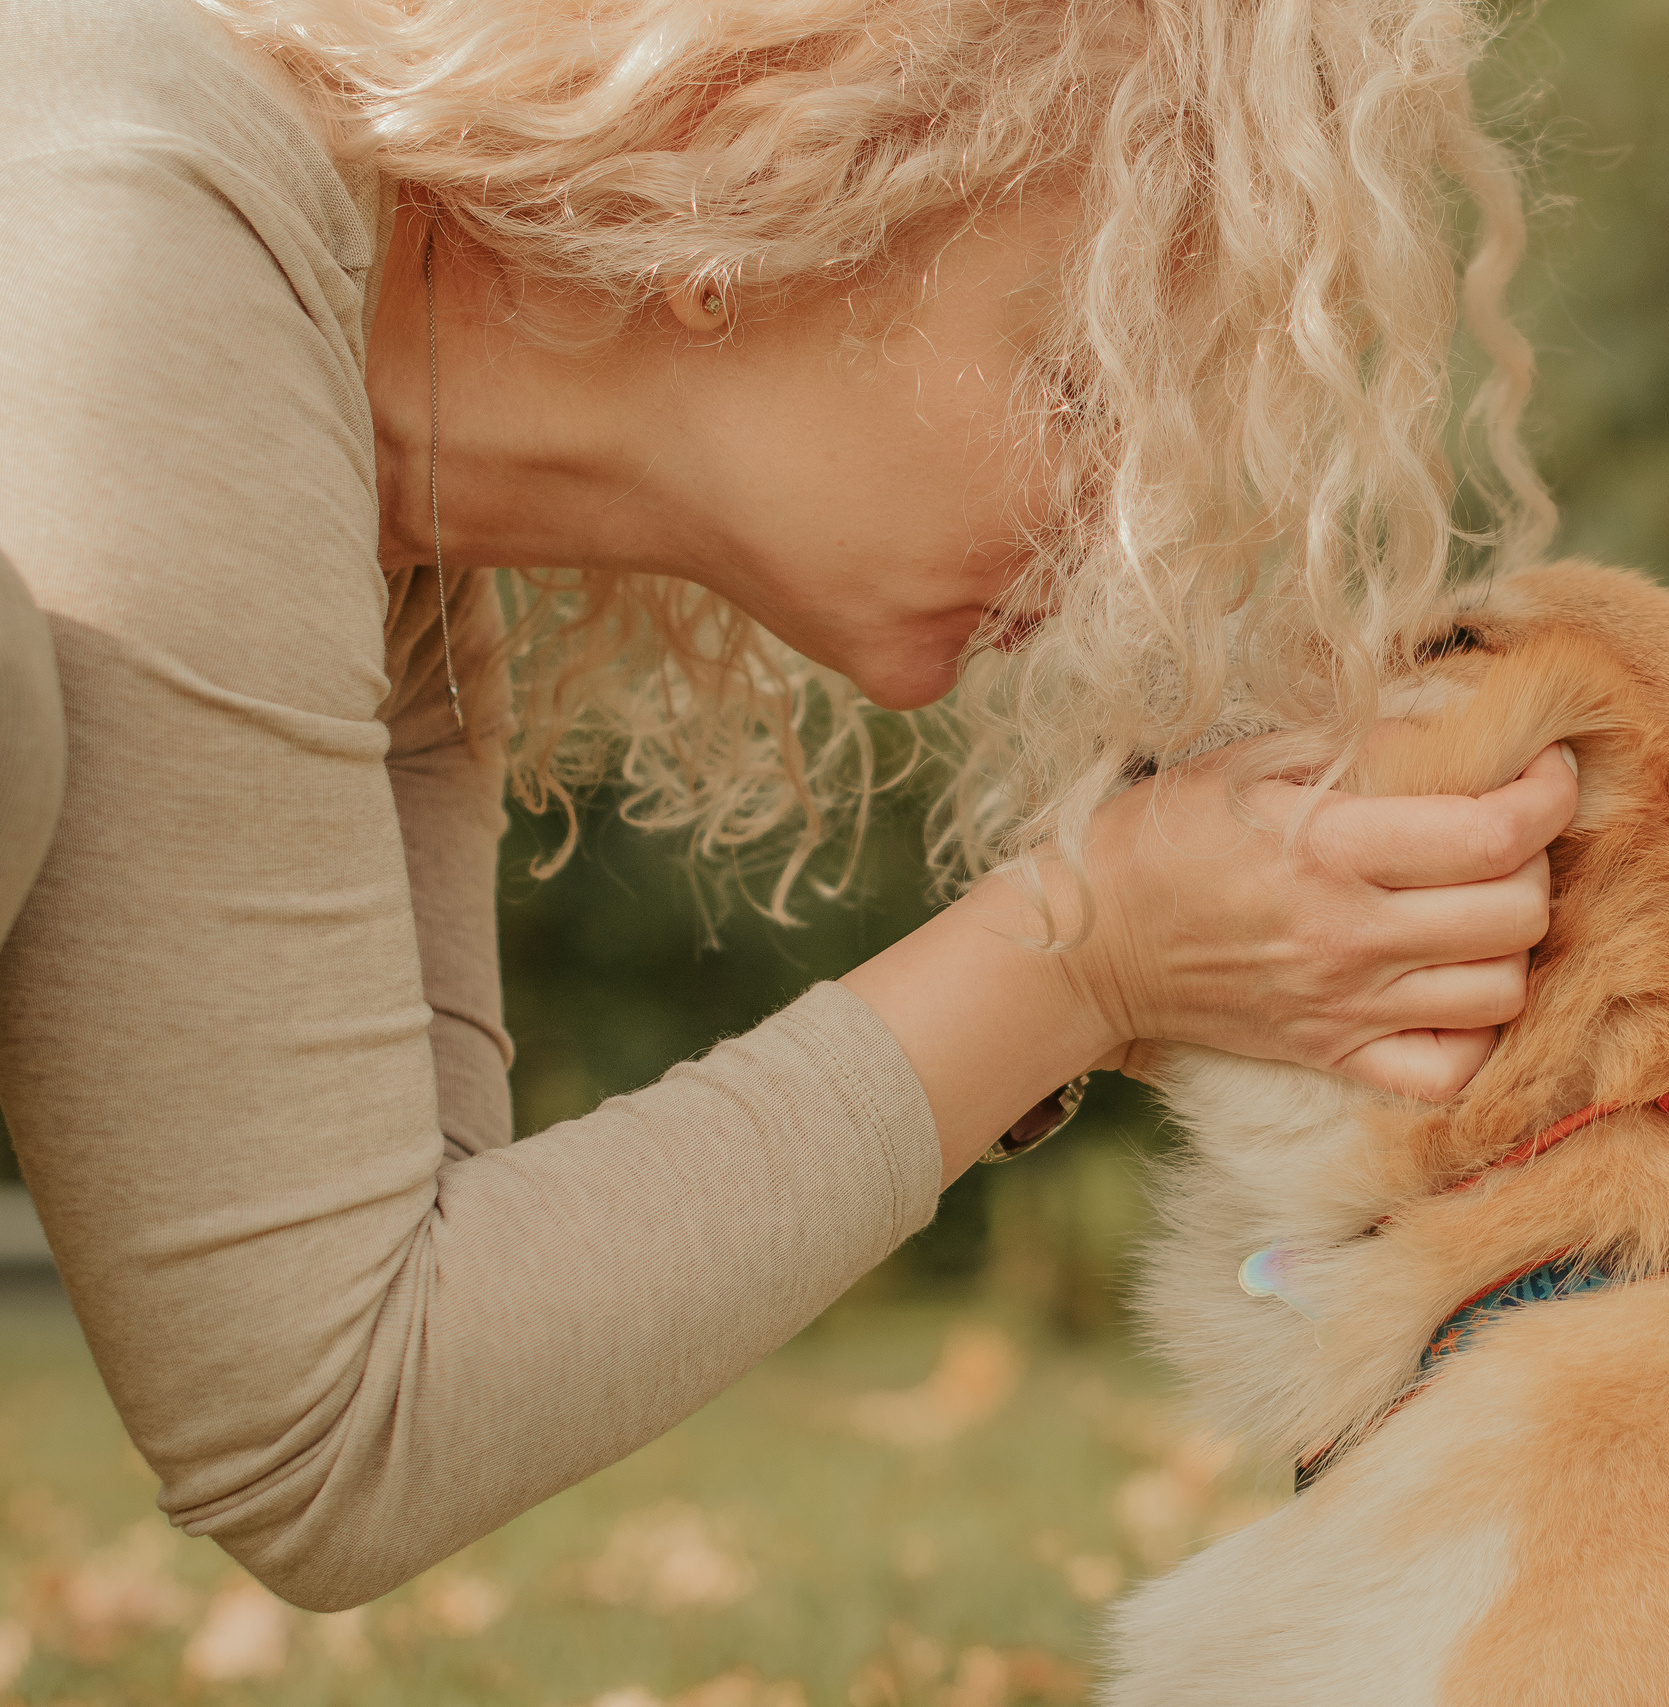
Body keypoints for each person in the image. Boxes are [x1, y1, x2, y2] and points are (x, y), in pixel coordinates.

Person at [0, 0, 1573, 1614]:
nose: (1114, 533)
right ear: (751, 174)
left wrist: (1110, 970)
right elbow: (338, 1420)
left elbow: (366, 1375)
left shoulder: (372, 518)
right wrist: (1077, 959)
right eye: (1079, 382)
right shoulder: (133, 193)